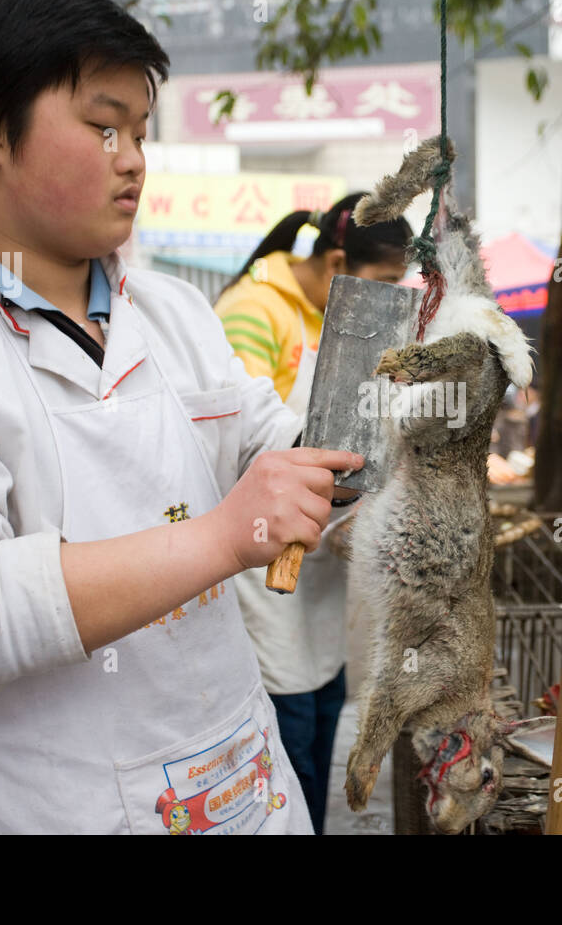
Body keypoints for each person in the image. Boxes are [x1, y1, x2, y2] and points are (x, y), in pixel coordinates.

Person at [0, 0, 360, 835]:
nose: (134, 157)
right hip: (42, 807)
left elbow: (273, 447)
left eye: (140, 131)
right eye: (104, 125)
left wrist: (373, 438)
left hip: (244, 786)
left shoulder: (172, 312)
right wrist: (221, 536)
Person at [215, 196, 410, 833]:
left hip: (321, 575)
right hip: (266, 573)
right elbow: (240, 452)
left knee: (326, 714)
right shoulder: (254, 310)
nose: (386, 303)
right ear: (335, 262)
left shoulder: (337, 318)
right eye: (381, 286)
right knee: (287, 744)